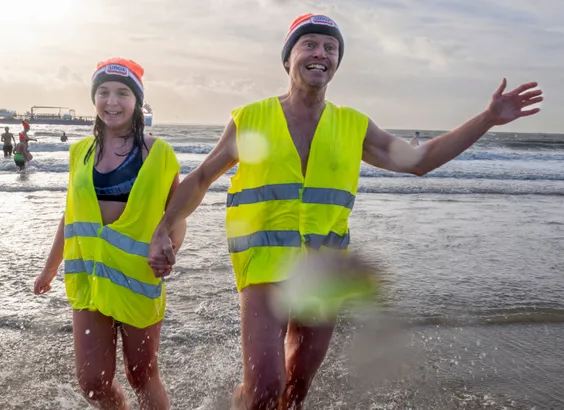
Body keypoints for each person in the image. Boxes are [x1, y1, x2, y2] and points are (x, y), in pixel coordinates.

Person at [147, 13, 543, 409]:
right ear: (288, 59)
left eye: (330, 48)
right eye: (309, 44)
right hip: (263, 264)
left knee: (295, 389)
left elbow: (420, 160)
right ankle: (248, 397)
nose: (320, 53)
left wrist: (488, 119)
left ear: (337, 62)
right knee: (266, 388)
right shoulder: (251, 118)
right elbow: (201, 177)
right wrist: (165, 228)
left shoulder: (353, 125)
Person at [33, 58, 185, 410]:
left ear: (137, 101)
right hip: (89, 277)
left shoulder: (156, 153)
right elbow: (71, 216)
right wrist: (49, 268)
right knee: (92, 382)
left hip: (137, 277)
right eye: (103, 92)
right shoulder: (80, 153)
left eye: (122, 93)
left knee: (141, 374)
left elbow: (177, 214)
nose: (112, 101)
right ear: (94, 98)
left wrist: (171, 247)